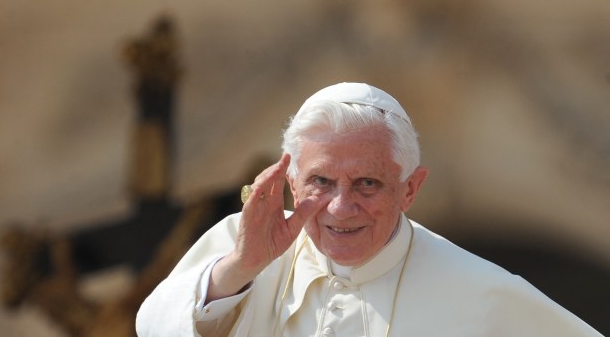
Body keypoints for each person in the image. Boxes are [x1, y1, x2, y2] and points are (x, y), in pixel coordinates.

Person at [136, 82, 602, 336]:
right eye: (320, 181)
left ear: (410, 189)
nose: (341, 207)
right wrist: (240, 269)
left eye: (367, 183)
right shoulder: (242, 245)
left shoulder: (485, 295)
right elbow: (152, 328)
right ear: (291, 182)